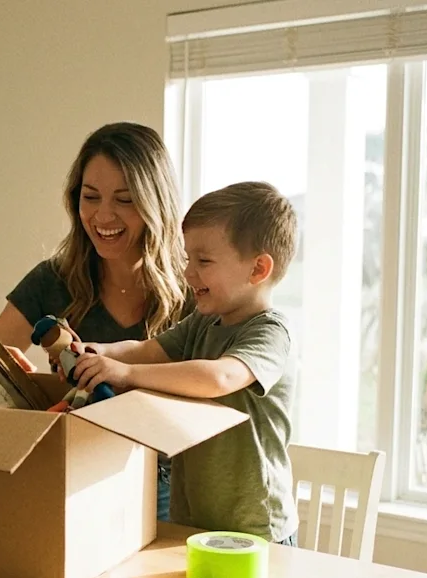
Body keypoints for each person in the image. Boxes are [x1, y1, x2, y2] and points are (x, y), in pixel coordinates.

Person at [0, 121, 192, 519]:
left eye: (125, 200)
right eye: (90, 196)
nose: (103, 215)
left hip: (170, 487)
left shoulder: (193, 290)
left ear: (155, 203)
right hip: (77, 482)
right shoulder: (53, 280)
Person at [69, 181, 300, 544]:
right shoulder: (204, 322)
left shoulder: (271, 333)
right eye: (188, 258)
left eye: (203, 261)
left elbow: (220, 377)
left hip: (254, 528)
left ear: (258, 269)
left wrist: (127, 374)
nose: (189, 272)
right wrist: (98, 351)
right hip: (193, 520)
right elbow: (147, 350)